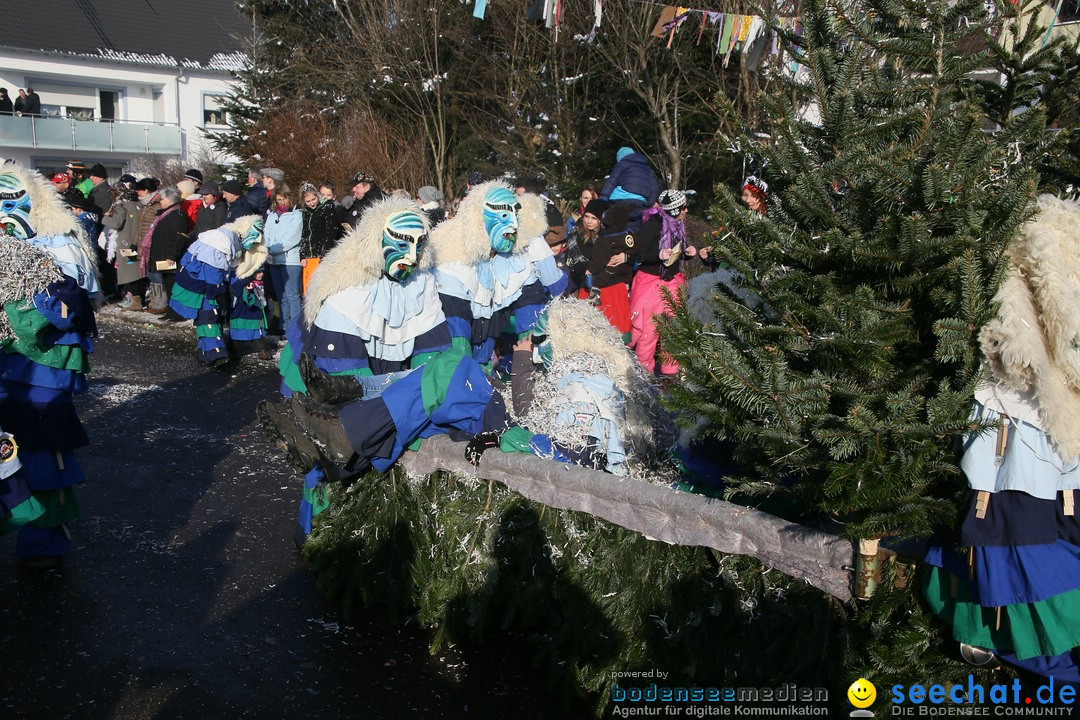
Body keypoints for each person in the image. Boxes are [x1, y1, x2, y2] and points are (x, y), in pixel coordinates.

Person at [0, 163, 100, 569]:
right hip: (10, 369)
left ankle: (43, 542)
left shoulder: (60, 245)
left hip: (40, 369)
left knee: (40, 451)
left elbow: (57, 313)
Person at [428, 179, 568, 369]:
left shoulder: (522, 248)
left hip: (504, 318)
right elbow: (456, 319)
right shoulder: (455, 255)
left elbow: (548, 285)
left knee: (530, 304)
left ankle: (531, 364)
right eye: (503, 215)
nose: (512, 226)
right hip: (455, 321)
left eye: (514, 216)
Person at [169, 216, 266, 366]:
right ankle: (215, 354)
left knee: (210, 315)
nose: (254, 242)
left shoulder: (231, 241)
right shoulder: (220, 240)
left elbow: (227, 269)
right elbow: (212, 268)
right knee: (208, 316)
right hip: (201, 282)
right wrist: (217, 290)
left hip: (206, 283)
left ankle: (207, 352)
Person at [628, 189, 697, 378]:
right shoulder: (652, 224)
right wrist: (658, 255)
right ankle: (644, 374)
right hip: (651, 283)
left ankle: (671, 374)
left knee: (673, 330)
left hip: (672, 281)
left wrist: (686, 253)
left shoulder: (677, 225)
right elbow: (640, 254)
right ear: (674, 210)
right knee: (648, 332)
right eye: (683, 208)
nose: (686, 211)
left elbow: (674, 254)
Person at [576, 199, 634, 342]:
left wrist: (625, 257)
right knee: (591, 335)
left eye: (594, 218)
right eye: (587, 217)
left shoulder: (614, 235)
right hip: (591, 288)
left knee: (616, 335)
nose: (589, 221)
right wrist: (600, 264)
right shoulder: (578, 235)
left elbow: (635, 252)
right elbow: (577, 264)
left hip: (614, 288)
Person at [143, 186, 190, 314]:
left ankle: (176, 312)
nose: (160, 202)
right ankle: (171, 310)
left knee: (172, 285)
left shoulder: (177, 215)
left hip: (169, 258)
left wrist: (172, 255)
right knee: (167, 285)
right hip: (162, 255)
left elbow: (179, 238)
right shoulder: (164, 214)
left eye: (162, 199)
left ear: (169, 200)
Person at [264, 184, 303, 335]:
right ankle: (284, 325)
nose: (282, 202)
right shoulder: (272, 215)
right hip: (273, 261)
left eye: (284, 199)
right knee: (281, 295)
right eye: (279, 199)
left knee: (292, 295)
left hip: (290, 260)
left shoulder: (297, 214)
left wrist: (272, 250)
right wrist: (266, 248)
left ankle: (295, 327)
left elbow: (292, 238)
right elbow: (266, 233)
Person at [101, 182, 146, 311]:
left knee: (128, 271)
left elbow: (116, 223)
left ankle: (134, 299)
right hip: (136, 242)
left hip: (125, 243)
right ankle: (137, 298)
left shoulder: (122, 206)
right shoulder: (139, 204)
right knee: (135, 270)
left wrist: (104, 218)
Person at [599, 147, 660, 233]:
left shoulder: (622, 164)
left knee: (616, 224)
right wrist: (649, 204)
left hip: (621, 200)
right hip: (640, 203)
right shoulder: (647, 168)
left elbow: (612, 180)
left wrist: (603, 197)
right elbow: (654, 187)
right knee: (634, 225)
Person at [298, 183, 341, 295]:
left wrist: (325, 254)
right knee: (308, 290)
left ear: (317, 196)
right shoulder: (306, 211)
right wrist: (302, 254)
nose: (312, 203)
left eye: (314, 199)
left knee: (320, 289)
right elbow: (305, 232)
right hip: (309, 256)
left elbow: (331, 232)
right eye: (308, 201)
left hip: (321, 254)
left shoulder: (327, 207)